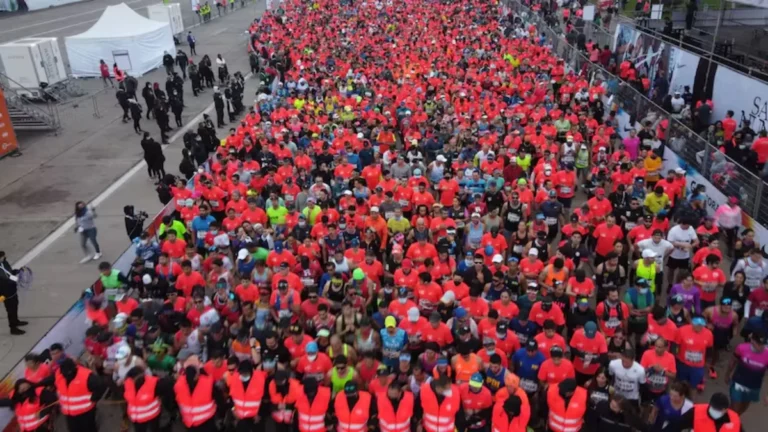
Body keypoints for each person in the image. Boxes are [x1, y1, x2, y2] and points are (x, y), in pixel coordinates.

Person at [725, 331, 768, 415]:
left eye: (762, 344)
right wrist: (727, 374)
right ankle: (728, 421)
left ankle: (733, 420)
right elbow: (732, 362)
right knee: (735, 407)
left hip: (754, 386)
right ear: (752, 340)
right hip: (738, 382)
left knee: (743, 407)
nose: (760, 347)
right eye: (758, 344)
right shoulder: (741, 348)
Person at [669, 392, 743, 431]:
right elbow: (675, 426)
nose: (714, 411)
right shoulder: (696, 413)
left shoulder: (734, 419)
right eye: (713, 407)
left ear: (725, 410)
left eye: (718, 409)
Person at [0, 251, 28, 335]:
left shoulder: (4, 263)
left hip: (12, 290)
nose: (5, 257)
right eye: (3, 257)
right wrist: (16, 280)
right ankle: (13, 328)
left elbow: (10, 272)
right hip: (5, 292)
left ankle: (16, 321)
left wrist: (18, 271)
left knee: (15, 305)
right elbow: (5, 279)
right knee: (11, 310)